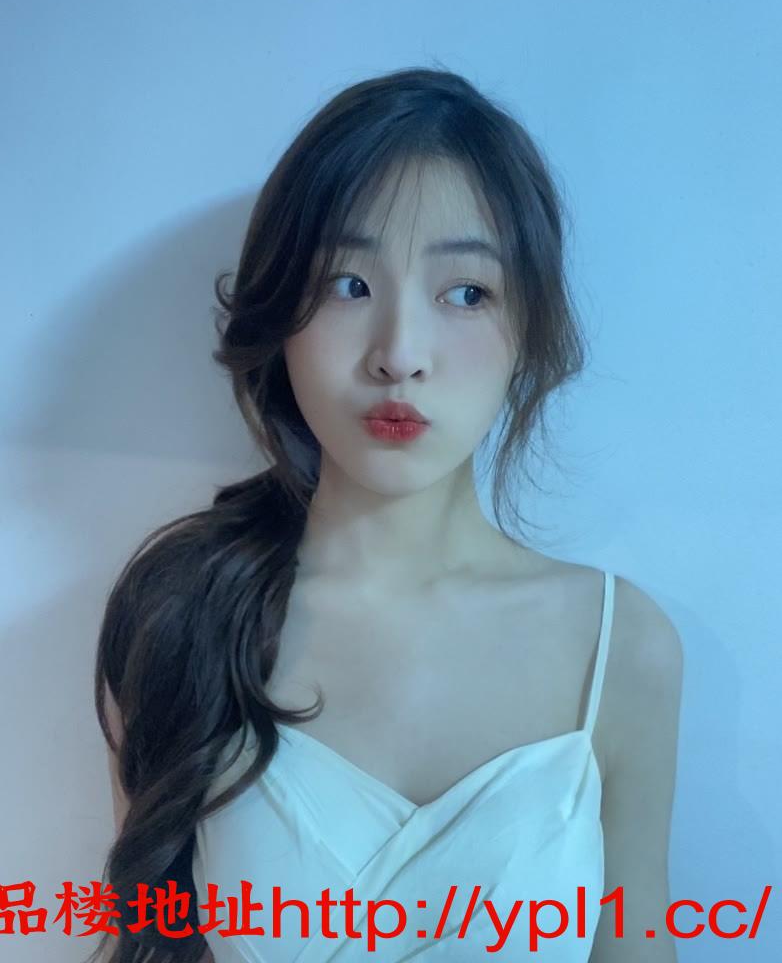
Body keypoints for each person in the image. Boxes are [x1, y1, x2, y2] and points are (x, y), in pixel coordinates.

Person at [92, 66, 683, 963]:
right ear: (280, 314)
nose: (400, 354)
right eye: (347, 284)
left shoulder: (620, 649)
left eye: (466, 292)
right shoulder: (184, 613)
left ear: (529, 327)